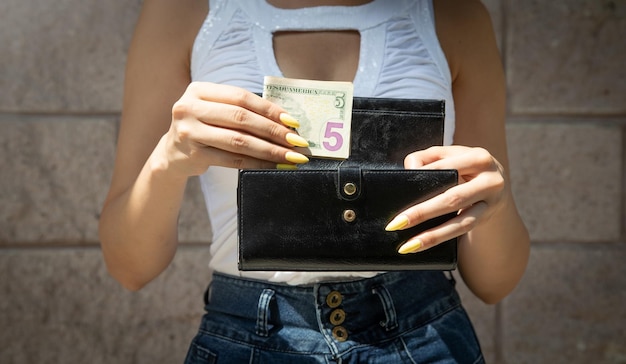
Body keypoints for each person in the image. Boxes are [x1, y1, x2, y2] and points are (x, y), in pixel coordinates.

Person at [99, 0, 530, 362]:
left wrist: (496, 202)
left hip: (423, 334)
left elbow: (495, 282)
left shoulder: (454, 13)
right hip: (249, 334)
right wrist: (169, 159)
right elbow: (129, 267)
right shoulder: (184, 10)